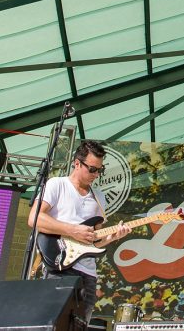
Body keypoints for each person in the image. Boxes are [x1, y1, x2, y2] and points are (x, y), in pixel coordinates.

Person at [30, 140, 131, 329]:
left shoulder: (98, 197)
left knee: (79, 325)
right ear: (77, 163)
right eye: (92, 169)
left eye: (99, 170)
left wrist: (114, 237)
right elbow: (35, 219)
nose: (96, 175)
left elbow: (95, 241)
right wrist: (73, 230)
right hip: (59, 266)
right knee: (54, 324)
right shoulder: (57, 185)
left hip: (88, 274)